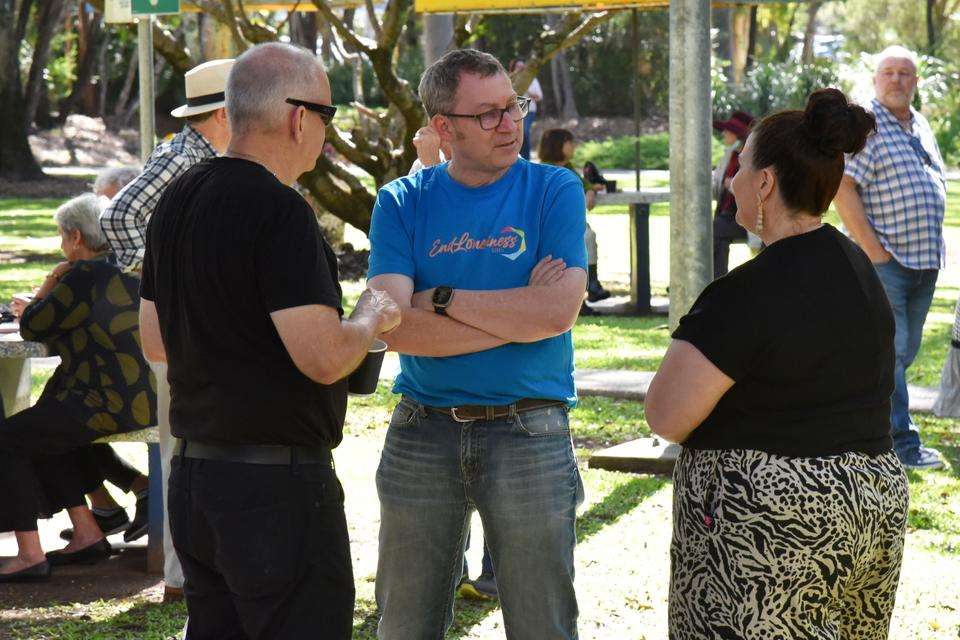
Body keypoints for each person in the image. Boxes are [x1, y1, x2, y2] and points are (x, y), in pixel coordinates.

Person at [139, 42, 400, 640]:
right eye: (328, 116)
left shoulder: (176, 200)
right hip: (275, 491)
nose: (327, 134)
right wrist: (369, 318)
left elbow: (156, 342)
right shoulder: (281, 211)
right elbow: (325, 359)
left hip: (196, 480)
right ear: (297, 117)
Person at [646, 88, 909, 639]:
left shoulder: (746, 293)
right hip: (872, 502)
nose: (730, 179)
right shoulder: (856, 266)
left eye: (740, 166)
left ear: (765, 182)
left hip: (772, 519)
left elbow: (667, 416)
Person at [368, 48, 587, 639]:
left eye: (513, 106)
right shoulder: (400, 201)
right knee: (405, 625)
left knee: (543, 625)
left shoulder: (554, 188)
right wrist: (514, 311)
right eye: (487, 114)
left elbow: (556, 312)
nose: (510, 124)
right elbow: (390, 325)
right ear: (444, 127)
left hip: (530, 430)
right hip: (422, 430)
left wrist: (438, 298)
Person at [99, 57, 233, 601]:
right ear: (225, 113)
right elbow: (117, 217)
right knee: (182, 450)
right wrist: (161, 275)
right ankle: (181, 576)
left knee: (196, 447)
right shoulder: (185, 158)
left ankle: (195, 569)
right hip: (179, 328)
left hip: (191, 325)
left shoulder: (200, 155)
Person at [0, 194, 157, 583]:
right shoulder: (125, 268)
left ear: (74, 237)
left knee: (9, 440)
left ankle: (29, 555)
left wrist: (50, 280)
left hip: (106, 399)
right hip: (142, 394)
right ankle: (87, 533)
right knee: (45, 421)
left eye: (60, 235)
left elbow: (34, 325)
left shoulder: (82, 275)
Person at [834, 46, 947, 471]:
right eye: (889, 72)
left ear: (916, 81)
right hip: (888, 262)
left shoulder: (919, 123)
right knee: (892, 351)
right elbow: (843, 187)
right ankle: (901, 443)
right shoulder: (867, 125)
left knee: (903, 352)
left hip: (923, 261)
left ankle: (860, 423)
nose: (897, 80)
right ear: (876, 79)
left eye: (905, 73)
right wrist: (873, 251)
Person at [538, 127, 610, 314]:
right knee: (585, 238)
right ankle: (588, 289)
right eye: (569, 142)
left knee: (588, 236)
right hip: (554, 228)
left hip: (572, 225)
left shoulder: (568, 168)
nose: (573, 147)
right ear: (558, 145)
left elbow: (581, 185)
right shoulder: (545, 170)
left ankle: (589, 288)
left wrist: (591, 189)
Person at [711, 110, 754, 278]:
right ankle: (716, 281)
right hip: (729, 216)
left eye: (728, 130)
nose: (724, 133)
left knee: (715, 229)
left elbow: (753, 189)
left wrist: (732, 185)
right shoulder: (730, 157)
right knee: (716, 231)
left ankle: (716, 283)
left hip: (748, 219)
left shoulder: (750, 158)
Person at [509, 59, 543, 161]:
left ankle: (526, 159)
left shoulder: (532, 80)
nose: (520, 69)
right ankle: (514, 158)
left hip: (529, 109)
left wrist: (526, 88)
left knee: (524, 132)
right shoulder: (509, 79)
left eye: (522, 67)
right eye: (518, 67)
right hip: (512, 110)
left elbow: (539, 97)